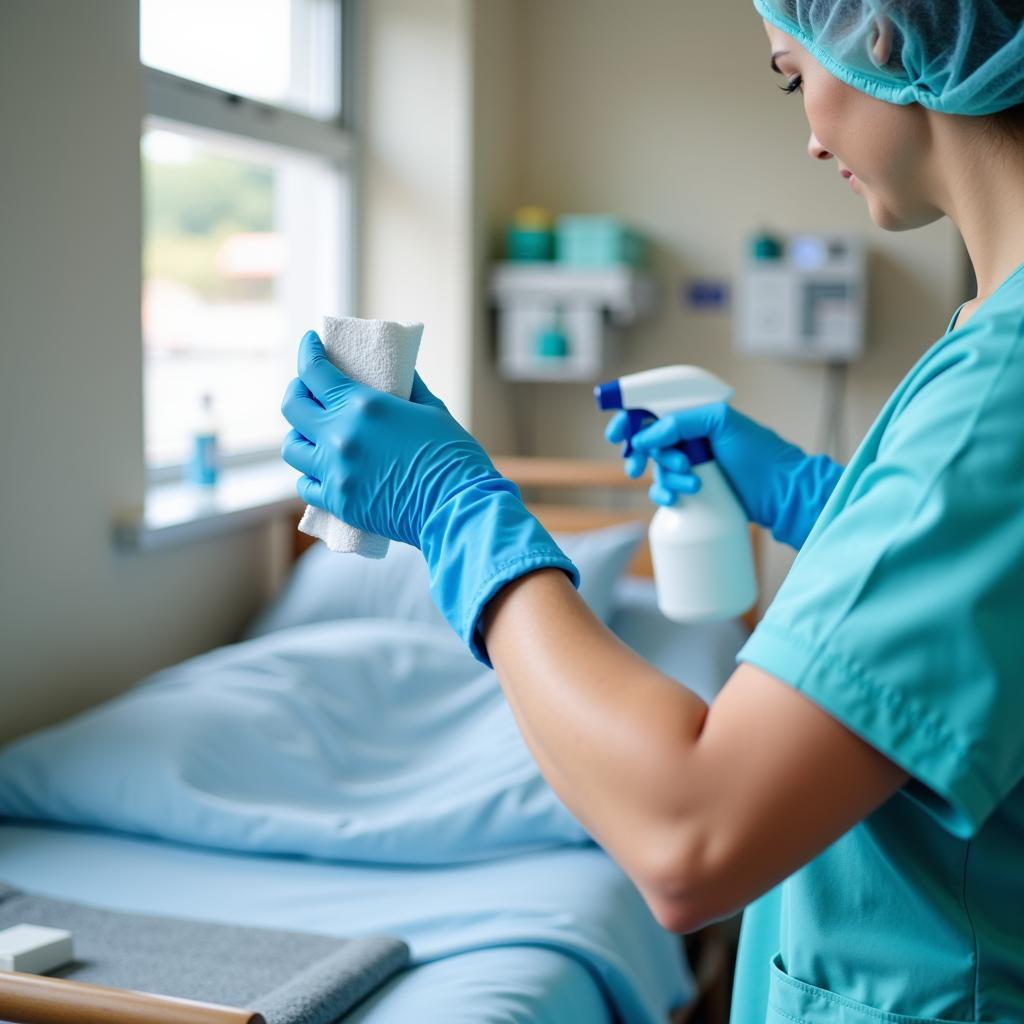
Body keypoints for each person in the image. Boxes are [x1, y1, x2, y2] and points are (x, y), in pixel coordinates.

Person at [281, 2, 1024, 1020]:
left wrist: (459, 512)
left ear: (880, 36)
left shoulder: (999, 389)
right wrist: (818, 500)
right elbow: (970, 612)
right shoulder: (987, 346)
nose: (808, 133)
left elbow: (689, 834)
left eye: (788, 73)